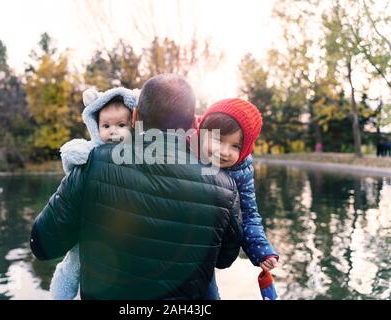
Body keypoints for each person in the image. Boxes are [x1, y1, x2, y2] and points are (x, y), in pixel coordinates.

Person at [30, 74, 243, 299]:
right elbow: (225, 259)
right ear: (193, 124)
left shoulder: (93, 163)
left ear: (135, 115)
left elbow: (42, 245)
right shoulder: (224, 186)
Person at [49, 86, 138, 299]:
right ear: (95, 126)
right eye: (106, 125)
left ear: (134, 126)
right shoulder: (92, 151)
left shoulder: (137, 154)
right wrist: (73, 156)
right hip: (90, 222)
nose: (113, 131)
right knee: (73, 262)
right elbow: (71, 158)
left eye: (121, 125)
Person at [196, 98, 279, 299]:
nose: (224, 152)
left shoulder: (240, 171)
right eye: (218, 139)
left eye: (235, 146)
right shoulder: (183, 149)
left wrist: (262, 251)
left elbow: (249, 214)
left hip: (207, 253)